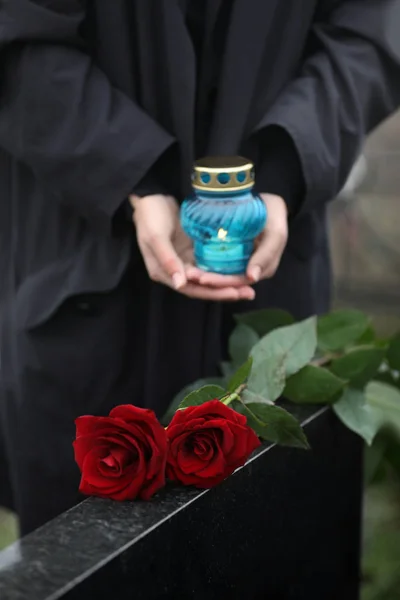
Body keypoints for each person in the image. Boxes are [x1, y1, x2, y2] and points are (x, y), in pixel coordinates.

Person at [0, 0, 399, 536]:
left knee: (266, 546)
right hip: (87, 275)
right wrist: (134, 176)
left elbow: (369, 31)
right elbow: (17, 37)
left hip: (271, 286)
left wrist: (285, 167)